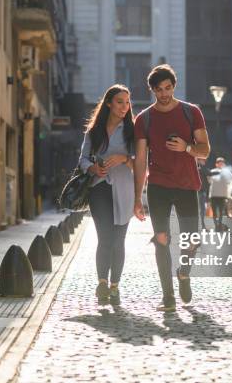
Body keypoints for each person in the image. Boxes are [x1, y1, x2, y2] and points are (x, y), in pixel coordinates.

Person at [133, 64, 210, 312]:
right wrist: (137, 197)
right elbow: (141, 160)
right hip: (159, 187)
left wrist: (186, 148)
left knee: (191, 241)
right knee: (162, 240)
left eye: (168, 88)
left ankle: (183, 273)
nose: (164, 94)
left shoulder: (192, 112)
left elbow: (205, 150)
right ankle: (168, 297)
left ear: (174, 86)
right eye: (159, 90)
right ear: (152, 90)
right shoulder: (143, 119)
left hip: (187, 185)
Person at [78, 84, 135, 306]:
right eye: (120, 102)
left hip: (124, 189)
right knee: (105, 237)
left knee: (119, 240)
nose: (124, 106)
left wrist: (123, 158)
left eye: (127, 102)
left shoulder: (133, 130)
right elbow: (82, 159)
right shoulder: (94, 131)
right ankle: (102, 283)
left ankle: (115, 287)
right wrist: (93, 168)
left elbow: (141, 162)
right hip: (99, 188)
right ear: (109, 103)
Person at [197, 158, 209, 229]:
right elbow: (208, 173)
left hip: (202, 191)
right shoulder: (199, 168)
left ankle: (202, 225)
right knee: (201, 209)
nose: (204, 161)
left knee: (202, 209)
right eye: (203, 160)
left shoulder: (201, 168)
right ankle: (201, 225)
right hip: (198, 192)